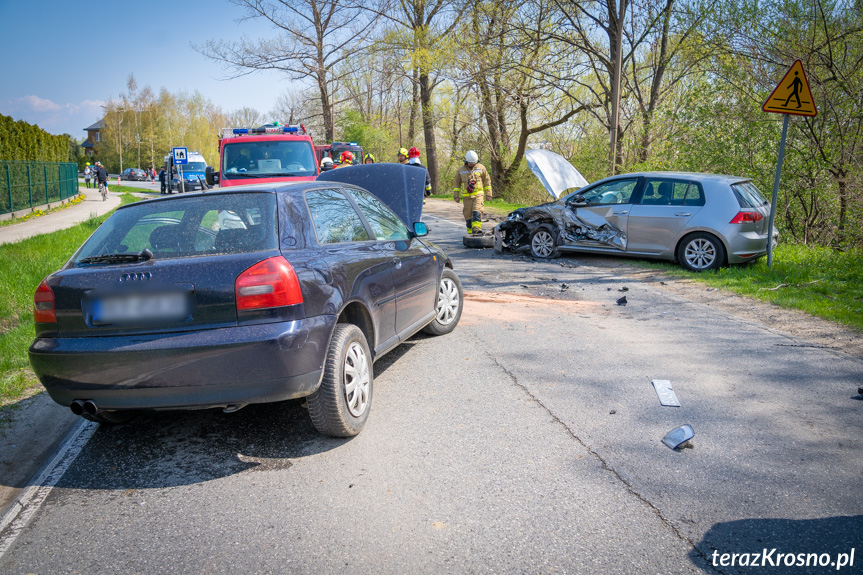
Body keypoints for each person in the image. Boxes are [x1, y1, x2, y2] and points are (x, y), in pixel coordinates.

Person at [453, 150, 492, 235]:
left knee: (477, 211)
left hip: (478, 195)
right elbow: (457, 183)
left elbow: (487, 181)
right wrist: (456, 196)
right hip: (467, 197)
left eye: (473, 162)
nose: (471, 164)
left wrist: (488, 194)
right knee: (468, 216)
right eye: (470, 162)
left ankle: (477, 229)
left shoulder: (481, 168)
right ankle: (470, 233)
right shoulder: (461, 170)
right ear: (466, 161)